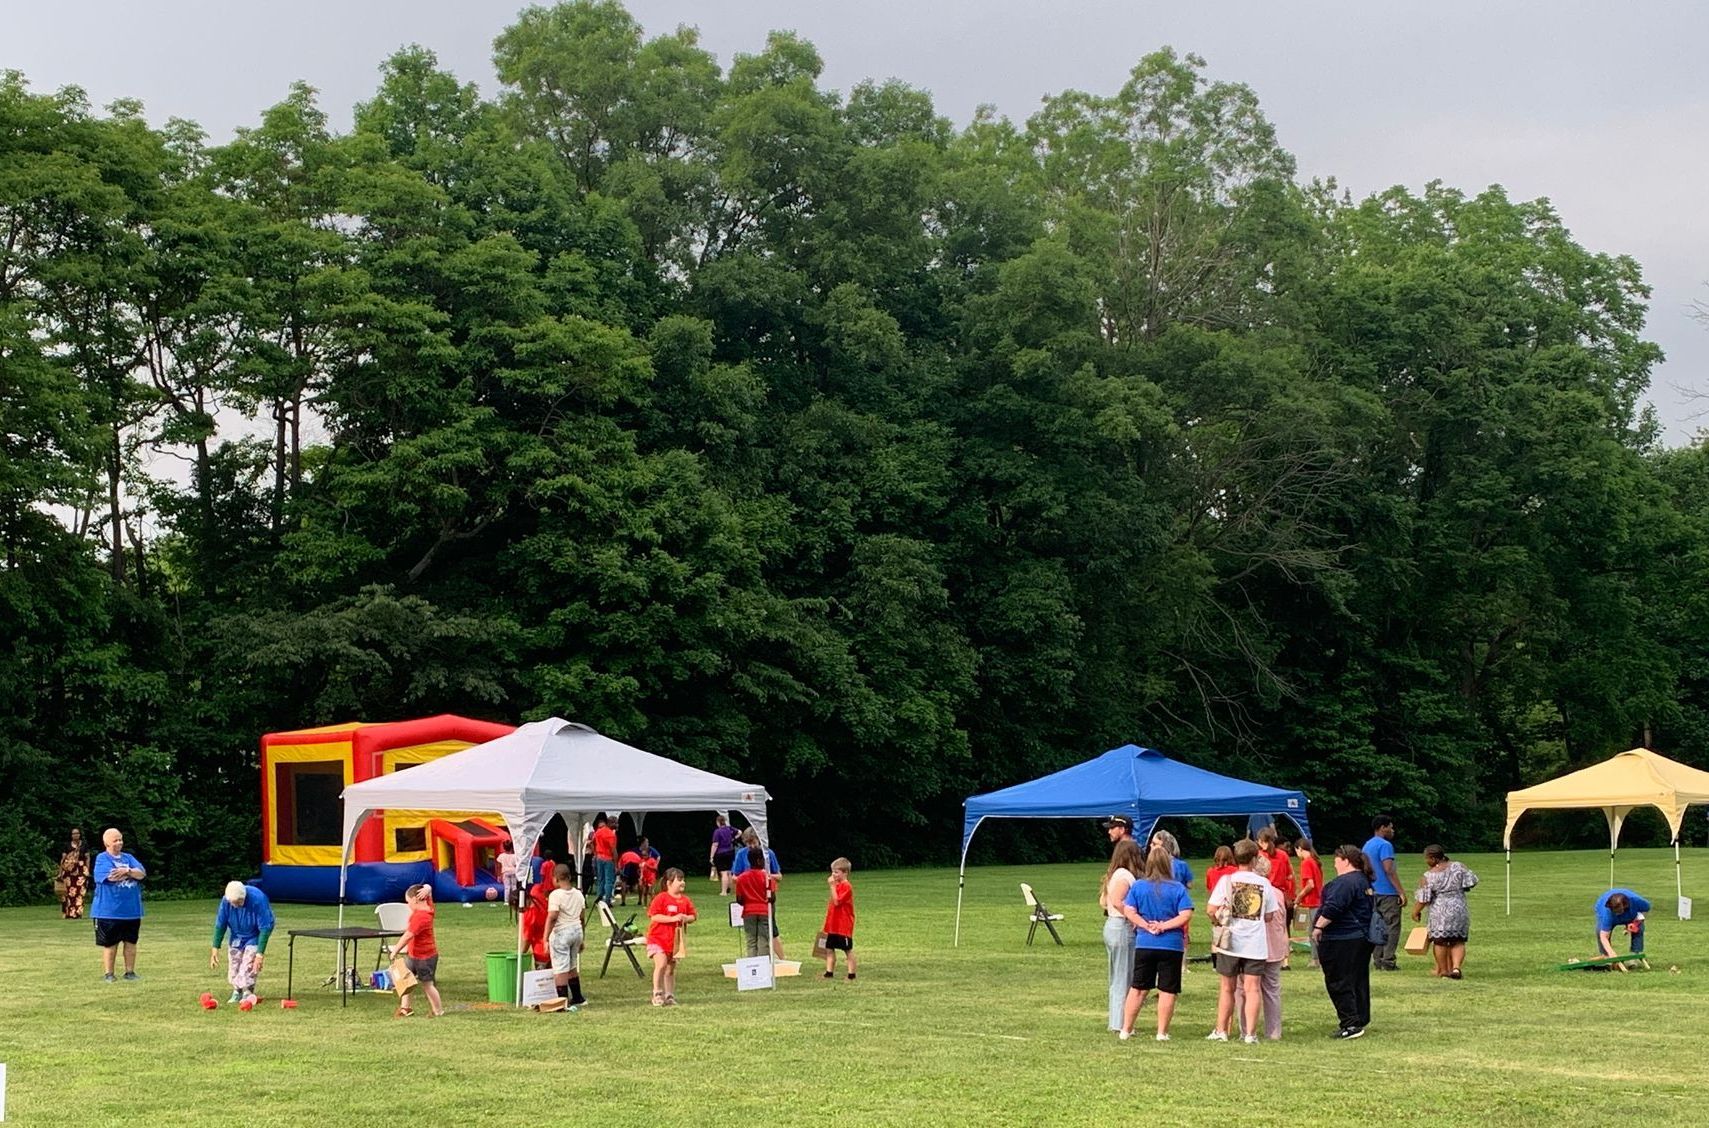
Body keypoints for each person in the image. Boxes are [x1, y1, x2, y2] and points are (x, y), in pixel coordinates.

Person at [1205, 838, 1281, 1045]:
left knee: (1227, 988)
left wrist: (1218, 922)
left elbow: (1211, 910)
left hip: (1230, 942)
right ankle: (1250, 1034)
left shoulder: (1227, 881)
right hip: (1255, 944)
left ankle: (1221, 1030)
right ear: (1255, 859)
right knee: (1252, 989)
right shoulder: (1264, 883)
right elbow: (1269, 916)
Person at [1117, 846, 1194, 1042]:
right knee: (1167, 990)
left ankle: (1126, 1029)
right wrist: (1163, 926)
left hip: (1145, 943)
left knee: (1138, 988)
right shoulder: (1177, 888)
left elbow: (1129, 910)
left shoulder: (1138, 887)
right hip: (1171, 945)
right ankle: (1161, 1032)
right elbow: (1186, 914)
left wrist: (1145, 925)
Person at [1312, 845, 1376, 1039]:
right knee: (1357, 979)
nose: (1334, 864)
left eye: (1336, 860)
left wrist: (1318, 927)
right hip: (1361, 937)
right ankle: (1360, 1017)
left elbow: (1333, 907)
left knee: (1339, 981)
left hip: (1341, 938)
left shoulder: (1345, 883)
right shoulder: (1363, 880)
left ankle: (1350, 1023)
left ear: (1346, 861)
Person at [1411, 845, 1478, 979]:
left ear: (1433, 858)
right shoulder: (1458, 866)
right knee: (1458, 941)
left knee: (1440, 941)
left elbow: (1424, 899)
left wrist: (1415, 912)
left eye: (1427, 858)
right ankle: (1456, 968)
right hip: (1459, 908)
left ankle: (1443, 971)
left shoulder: (1428, 876)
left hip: (1439, 912)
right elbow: (1472, 881)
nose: (1426, 861)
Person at [1100, 838, 1144, 1033]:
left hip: (1112, 925)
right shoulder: (1125, 876)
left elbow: (1104, 901)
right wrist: (1134, 918)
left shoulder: (1114, 875)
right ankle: (1120, 1023)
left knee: (1117, 976)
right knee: (1123, 977)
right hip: (1121, 926)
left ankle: (1116, 1020)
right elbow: (1118, 901)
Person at [92, 828, 146, 982]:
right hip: (108, 911)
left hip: (131, 910)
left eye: (120, 839)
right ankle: (109, 974)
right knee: (110, 943)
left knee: (131, 942)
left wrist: (126, 871)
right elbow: (111, 877)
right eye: (115, 840)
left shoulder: (129, 857)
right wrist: (130, 873)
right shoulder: (102, 858)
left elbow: (141, 874)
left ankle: (130, 972)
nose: (119, 843)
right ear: (106, 843)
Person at [209, 881, 275, 1003]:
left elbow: (265, 928)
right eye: (233, 903)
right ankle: (237, 990)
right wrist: (215, 948)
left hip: (256, 933)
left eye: (239, 902)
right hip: (237, 934)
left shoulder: (258, 900)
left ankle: (248, 991)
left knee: (249, 962)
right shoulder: (226, 901)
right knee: (234, 962)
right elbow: (220, 924)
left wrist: (259, 955)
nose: (236, 906)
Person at [731, 828, 785, 959]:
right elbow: (735, 876)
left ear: (759, 840)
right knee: (760, 935)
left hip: (764, 899)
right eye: (748, 843)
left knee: (770, 930)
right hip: (752, 900)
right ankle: (761, 962)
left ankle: (781, 958)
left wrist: (764, 875)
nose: (751, 845)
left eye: (753, 842)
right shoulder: (741, 854)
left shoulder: (768, 853)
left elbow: (779, 876)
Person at [646, 868, 697, 1006]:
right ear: (669, 883)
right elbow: (654, 916)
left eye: (683, 879)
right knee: (661, 964)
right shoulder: (661, 898)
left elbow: (693, 916)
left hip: (675, 941)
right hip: (657, 939)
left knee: (670, 969)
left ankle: (669, 995)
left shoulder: (685, 900)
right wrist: (673, 918)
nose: (683, 882)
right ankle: (657, 993)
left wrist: (686, 918)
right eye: (679, 880)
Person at [393, 883, 444, 1018]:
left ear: (415, 900)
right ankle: (405, 1008)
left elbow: (407, 936)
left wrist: (395, 950)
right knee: (406, 980)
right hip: (413, 955)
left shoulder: (421, 916)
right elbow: (427, 889)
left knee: (427, 985)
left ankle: (438, 1010)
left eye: (408, 902)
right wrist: (428, 888)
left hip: (425, 957)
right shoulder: (428, 907)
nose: (408, 905)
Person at [1362, 815, 1405, 970]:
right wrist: (1400, 892)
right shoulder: (1385, 845)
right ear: (1382, 828)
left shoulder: (1367, 845)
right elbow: (1388, 869)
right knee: (1392, 926)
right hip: (1387, 892)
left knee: (1377, 926)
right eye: (1390, 827)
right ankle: (1388, 960)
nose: (1393, 830)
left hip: (1372, 891)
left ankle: (1377, 958)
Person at [544, 865, 588, 1010]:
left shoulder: (555, 895)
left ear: (556, 878)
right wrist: (583, 938)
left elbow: (552, 916)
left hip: (562, 932)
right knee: (572, 964)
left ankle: (562, 1000)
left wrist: (545, 938)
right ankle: (578, 997)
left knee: (560, 967)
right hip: (576, 930)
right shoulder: (579, 894)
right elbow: (582, 917)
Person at [1256, 827, 1296, 967]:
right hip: (1279, 893)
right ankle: (1284, 960)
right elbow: (1290, 876)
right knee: (1282, 927)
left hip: (1263, 891)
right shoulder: (1283, 855)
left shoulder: (1259, 856)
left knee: (1263, 926)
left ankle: (1264, 955)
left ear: (1261, 841)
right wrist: (1289, 894)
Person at [733, 846, 775, 958]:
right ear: (759, 860)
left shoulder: (741, 878)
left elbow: (739, 899)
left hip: (748, 911)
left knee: (751, 940)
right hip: (764, 911)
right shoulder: (767, 877)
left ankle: (752, 963)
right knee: (763, 939)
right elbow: (772, 898)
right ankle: (763, 963)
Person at [822, 858, 858, 980]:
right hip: (833, 924)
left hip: (843, 925)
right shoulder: (837, 885)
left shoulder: (847, 887)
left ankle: (851, 974)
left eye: (836, 872)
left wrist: (832, 886)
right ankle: (829, 972)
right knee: (829, 948)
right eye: (832, 872)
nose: (833, 874)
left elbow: (837, 902)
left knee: (847, 949)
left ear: (845, 872)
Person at [1594, 887, 1651, 961]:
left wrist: (1635, 923)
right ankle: (1606, 956)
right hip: (1604, 910)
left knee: (1638, 928)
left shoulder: (1637, 901)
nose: (1616, 914)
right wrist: (1611, 953)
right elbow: (1604, 936)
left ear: (1625, 905)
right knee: (1599, 931)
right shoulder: (1607, 912)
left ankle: (1635, 955)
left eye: (1618, 911)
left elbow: (1645, 910)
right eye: (1615, 911)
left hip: (1631, 914)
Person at [1295, 839, 1324, 969]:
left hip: (1313, 902)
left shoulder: (1306, 862)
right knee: (1316, 930)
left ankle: (1316, 959)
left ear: (1300, 849)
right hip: (1319, 900)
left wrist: (1299, 897)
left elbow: (1310, 884)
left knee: (1313, 932)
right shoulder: (1315, 861)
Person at [57, 828, 91, 920]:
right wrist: (60, 872)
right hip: (69, 872)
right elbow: (63, 859)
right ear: (71, 835)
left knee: (80, 892)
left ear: (80, 834)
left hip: (81, 871)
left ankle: (77, 913)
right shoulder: (67, 846)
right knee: (68, 893)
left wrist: (87, 870)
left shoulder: (84, 845)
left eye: (77, 833)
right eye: (74, 833)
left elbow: (87, 858)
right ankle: (68, 913)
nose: (76, 835)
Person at [710, 815, 740, 895]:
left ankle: (724, 891)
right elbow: (740, 832)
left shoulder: (717, 831)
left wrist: (711, 856)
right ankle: (730, 890)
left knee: (723, 873)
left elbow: (715, 844)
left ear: (718, 822)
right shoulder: (729, 829)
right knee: (729, 872)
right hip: (730, 852)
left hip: (721, 853)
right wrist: (733, 838)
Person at [592, 816, 618, 904]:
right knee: (608, 881)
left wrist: (595, 853)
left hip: (599, 858)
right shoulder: (611, 835)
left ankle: (599, 897)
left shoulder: (599, 831)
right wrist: (616, 865)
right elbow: (613, 850)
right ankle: (607, 900)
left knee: (601, 879)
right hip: (608, 859)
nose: (617, 825)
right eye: (615, 823)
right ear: (609, 823)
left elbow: (593, 841)